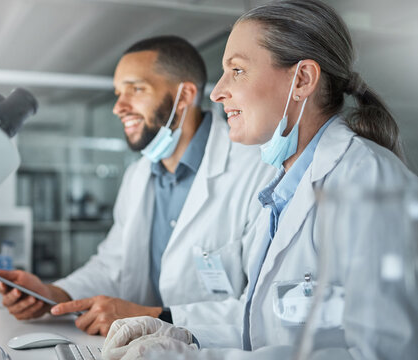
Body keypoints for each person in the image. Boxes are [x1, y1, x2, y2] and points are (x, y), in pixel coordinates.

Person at [101, 1, 418, 359]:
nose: (217, 91)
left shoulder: (367, 181)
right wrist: (180, 331)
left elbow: (384, 353)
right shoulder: (287, 187)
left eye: (236, 70)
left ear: (302, 80)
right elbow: (262, 322)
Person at [0, 35, 274, 337]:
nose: (119, 107)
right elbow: (112, 266)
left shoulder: (256, 169)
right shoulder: (138, 175)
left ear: (184, 97)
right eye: (118, 93)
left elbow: (262, 309)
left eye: (136, 89)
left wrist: (151, 317)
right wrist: (53, 294)